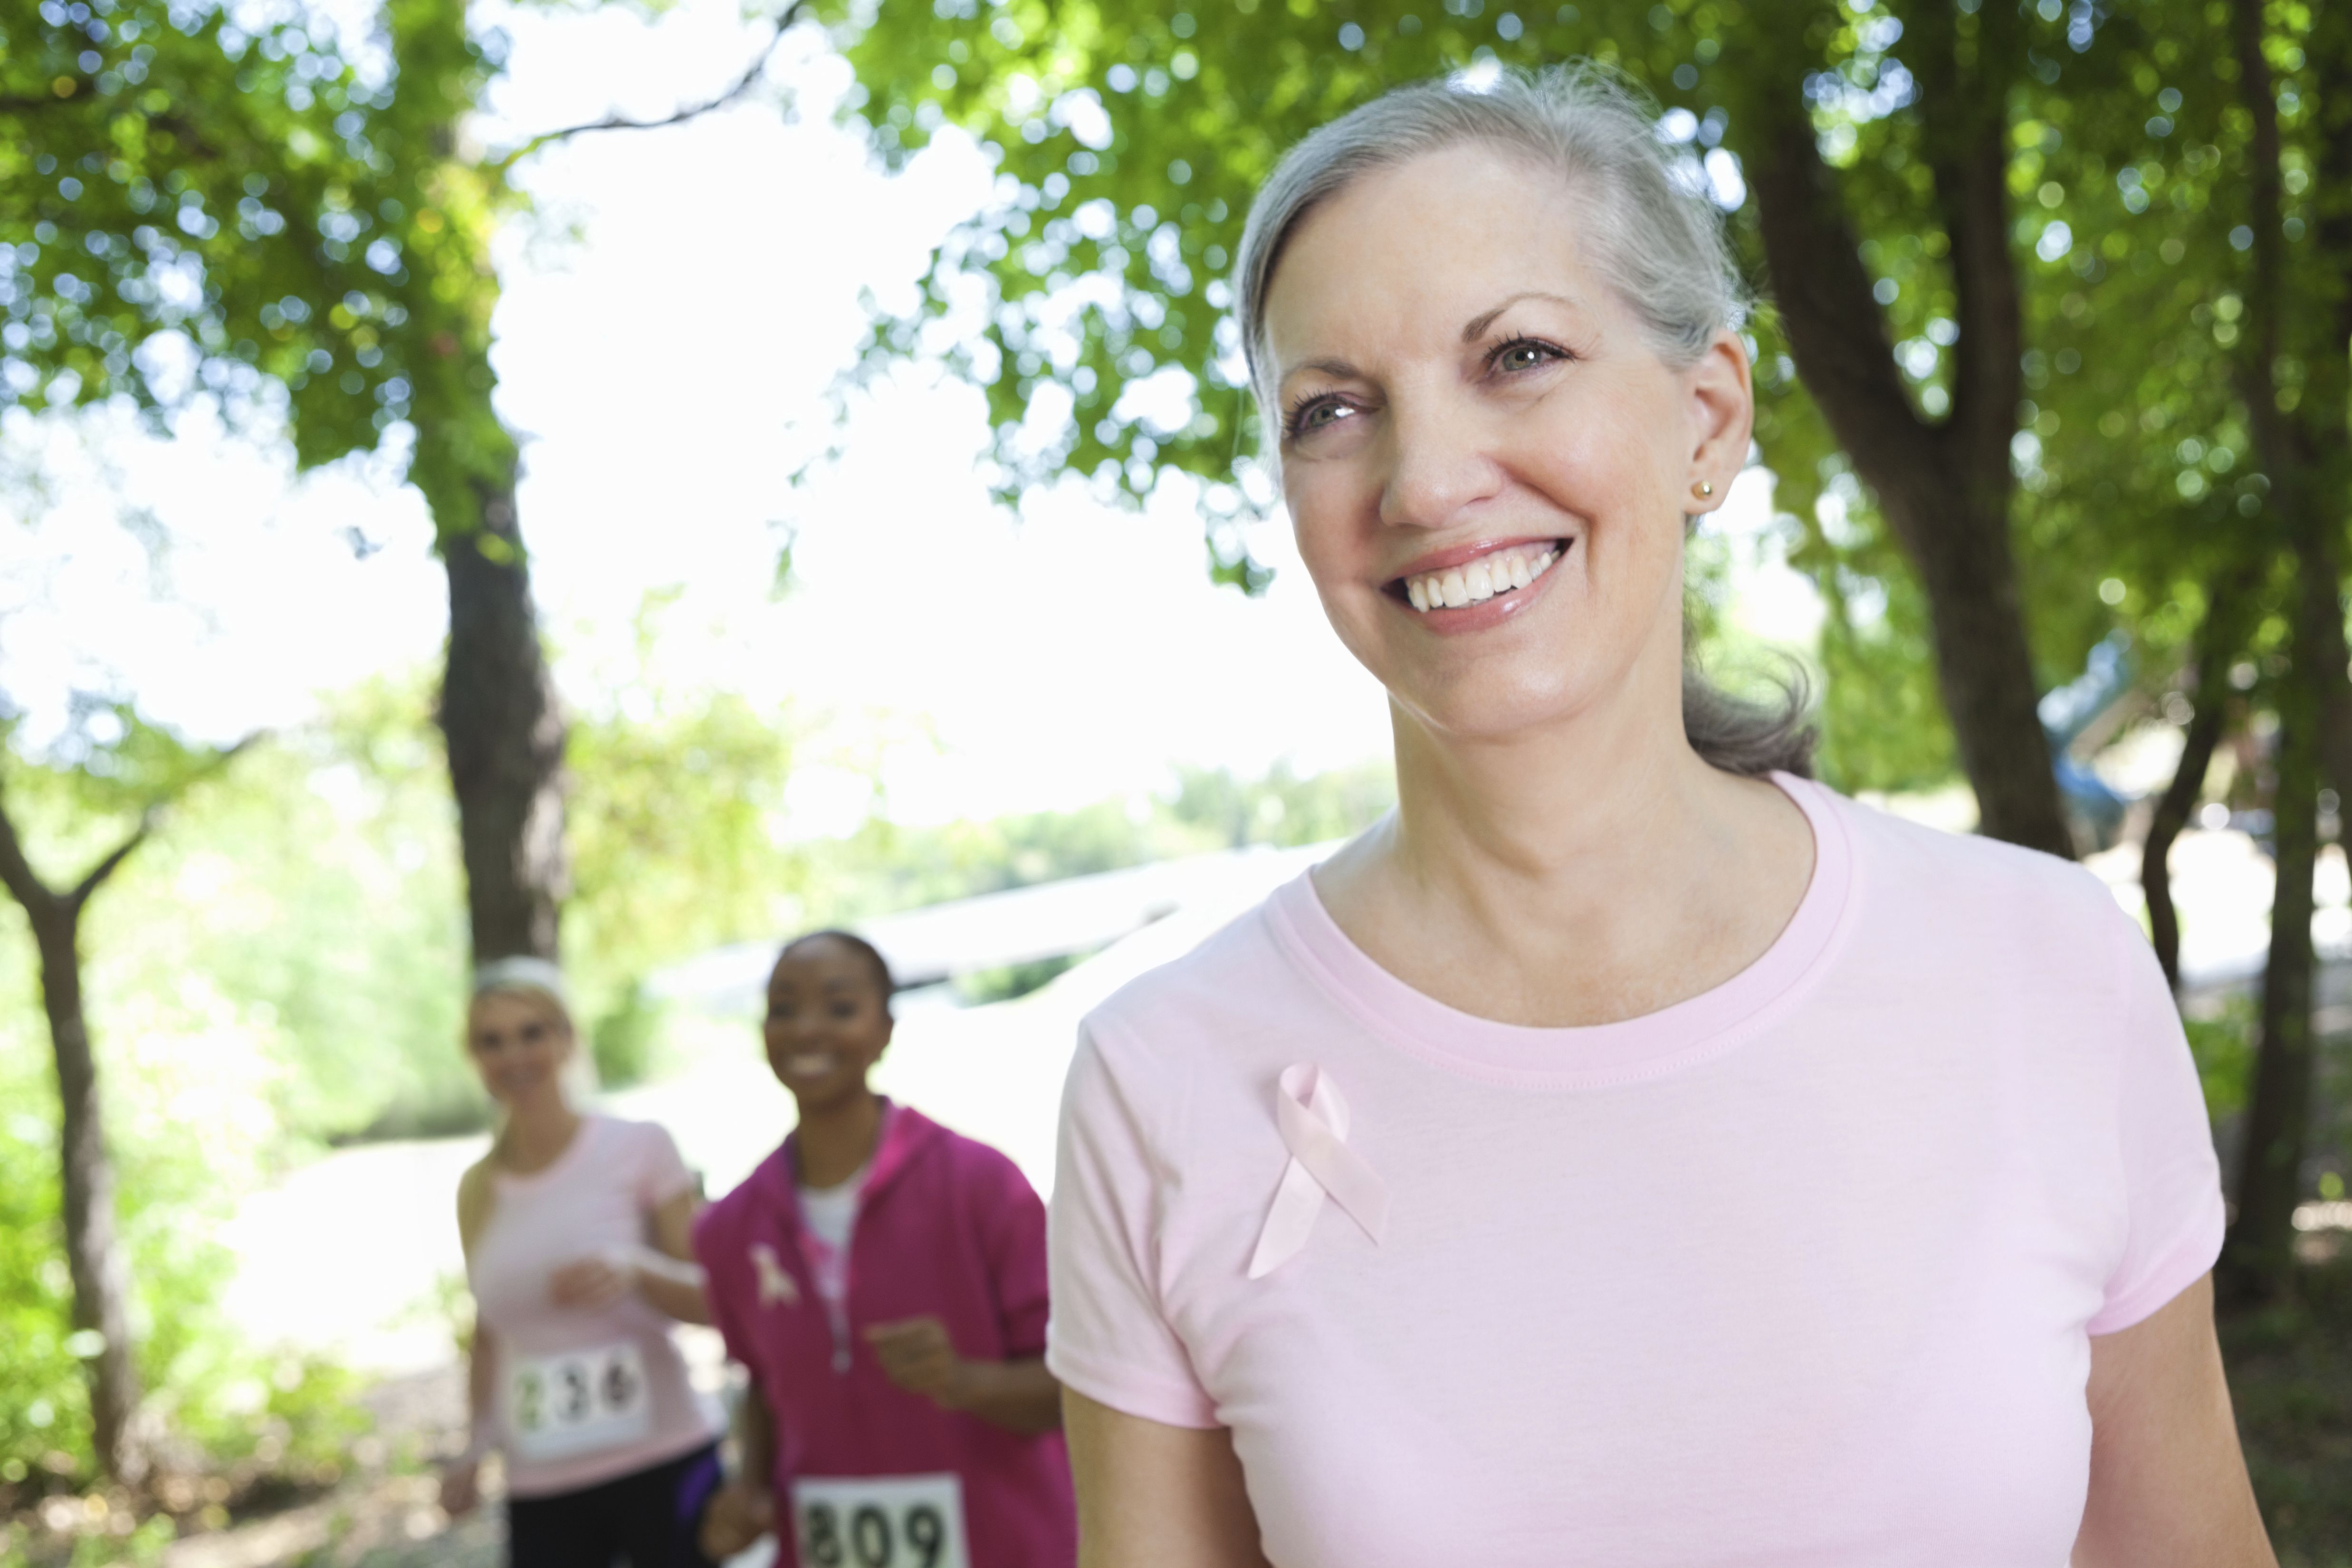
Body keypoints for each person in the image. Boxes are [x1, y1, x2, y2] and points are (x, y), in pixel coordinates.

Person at [1045, 64, 2276, 1568]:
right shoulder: (1161, 1073)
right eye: (1332, 408)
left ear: (1708, 418)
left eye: (1517, 355)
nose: (1426, 479)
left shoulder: (2046, 965)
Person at [693, 931, 1076, 1568]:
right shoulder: (729, 1228)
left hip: (1001, 1543)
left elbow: (1076, 1386)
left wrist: (966, 1381)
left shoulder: (981, 1186)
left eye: (840, 1007)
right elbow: (761, 1387)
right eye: (784, 1009)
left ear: (885, 1029)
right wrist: (749, 1489)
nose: (807, 1029)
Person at [439, 957, 724, 1568]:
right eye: (492, 1041)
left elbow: (715, 1301)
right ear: (474, 1057)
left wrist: (635, 1269)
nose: (514, 1055)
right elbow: (488, 1333)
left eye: (532, 1032)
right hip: (541, 1481)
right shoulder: (476, 1188)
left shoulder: (640, 1147)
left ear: (566, 1038)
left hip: (664, 1458)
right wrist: (474, 1444)